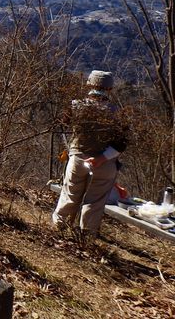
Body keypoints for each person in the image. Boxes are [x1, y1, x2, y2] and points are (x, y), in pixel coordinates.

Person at [52, 70, 128, 235]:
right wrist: (101, 158)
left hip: (77, 158)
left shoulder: (75, 105)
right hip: (106, 164)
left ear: (89, 85)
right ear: (110, 89)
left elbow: (59, 125)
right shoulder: (117, 113)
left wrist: (70, 147)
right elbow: (123, 142)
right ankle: (86, 237)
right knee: (94, 202)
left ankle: (59, 228)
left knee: (70, 195)